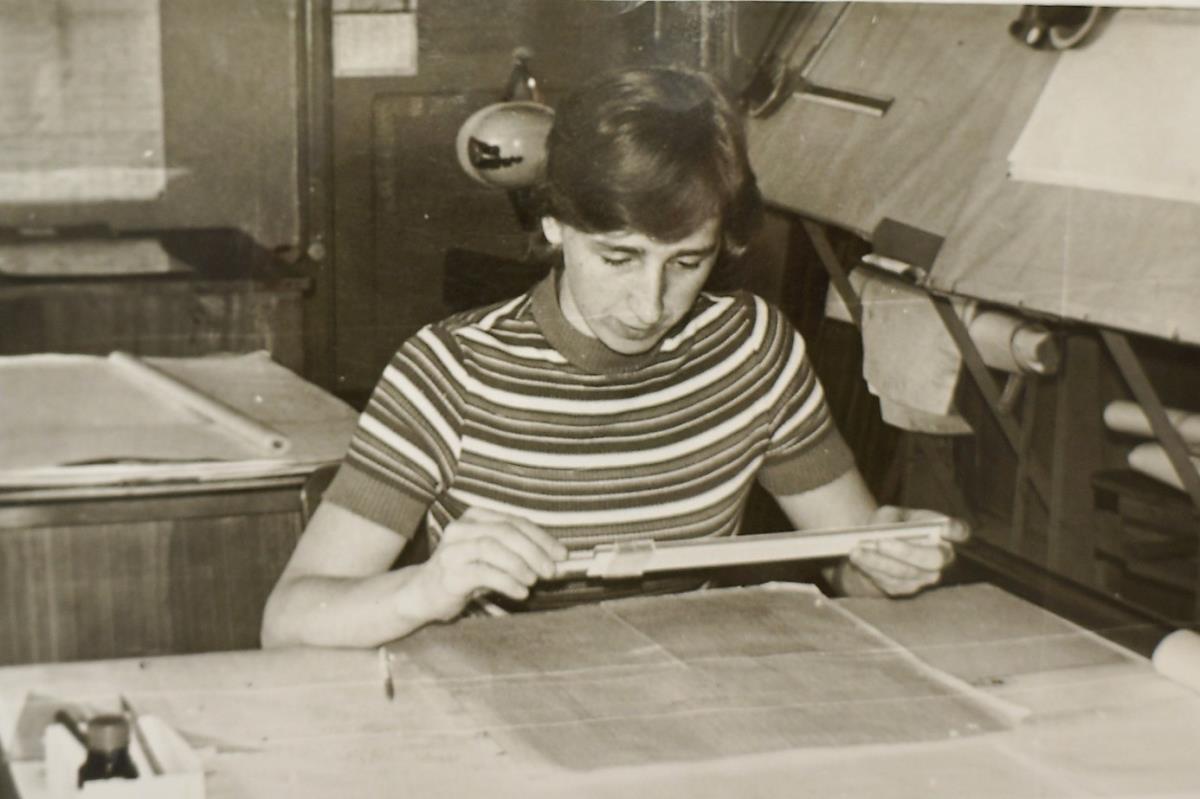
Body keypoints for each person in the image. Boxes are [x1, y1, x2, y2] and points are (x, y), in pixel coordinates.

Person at [261, 66, 967, 649]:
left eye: (686, 261)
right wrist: (425, 588)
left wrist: (885, 561)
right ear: (554, 223)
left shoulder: (753, 349)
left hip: (687, 691)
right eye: (618, 258)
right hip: (500, 703)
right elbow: (287, 622)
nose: (650, 304)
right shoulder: (449, 374)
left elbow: (849, 562)